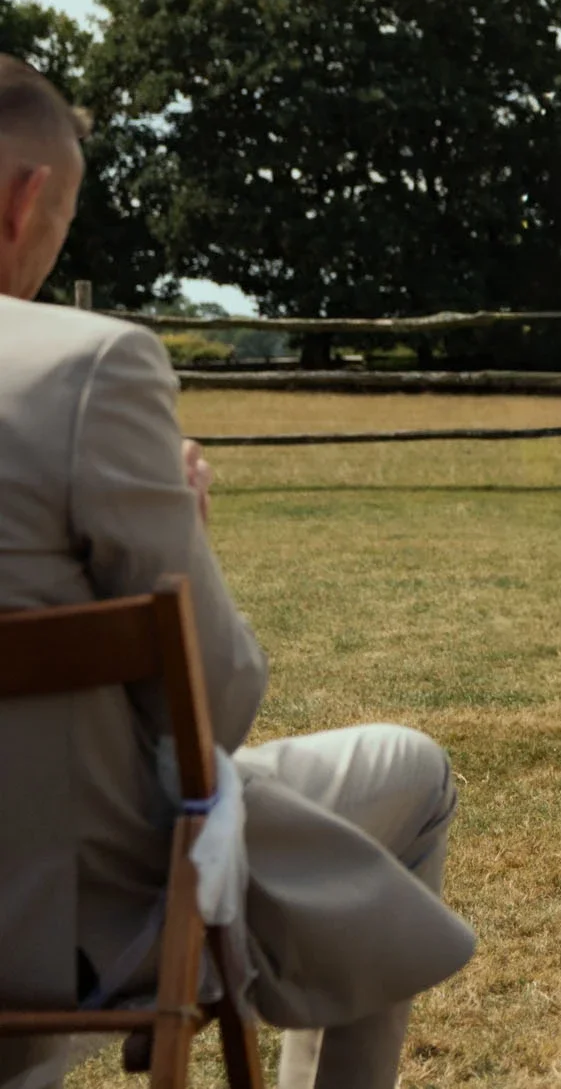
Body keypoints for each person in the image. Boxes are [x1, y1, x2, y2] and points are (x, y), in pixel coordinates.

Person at [0, 54, 474, 1089]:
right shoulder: (87, 368)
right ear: (23, 197)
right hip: (65, 917)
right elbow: (217, 703)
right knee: (415, 772)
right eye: (64, 221)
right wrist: (190, 532)